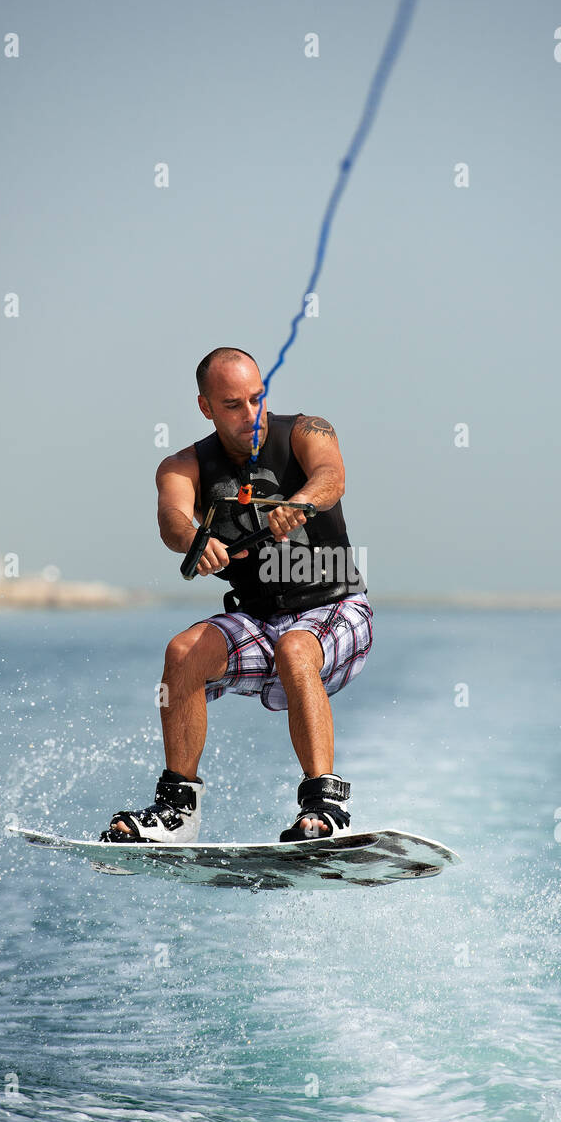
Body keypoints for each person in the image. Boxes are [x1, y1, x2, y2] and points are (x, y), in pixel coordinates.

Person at [101, 347, 373, 845]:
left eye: (256, 399)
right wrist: (195, 541)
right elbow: (173, 519)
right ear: (206, 407)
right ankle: (177, 810)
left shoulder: (306, 431)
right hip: (258, 620)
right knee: (182, 651)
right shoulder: (184, 465)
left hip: (334, 608)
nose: (250, 415)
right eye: (232, 405)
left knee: (296, 647)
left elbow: (331, 476)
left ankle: (325, 806)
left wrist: (300, 503)